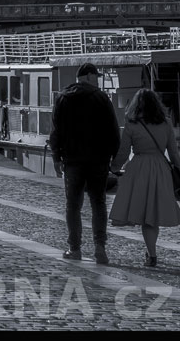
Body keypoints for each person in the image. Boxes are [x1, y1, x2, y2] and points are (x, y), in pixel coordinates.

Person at [49, 62, 120, 265]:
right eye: (96, 77)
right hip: (98, 160)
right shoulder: (101, 98)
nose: (97, 81)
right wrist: (112, 157)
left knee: (73, 205)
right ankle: (100, 247)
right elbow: (113, 131)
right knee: (98, 203)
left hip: (72, 161)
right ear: (89, 76)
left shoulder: (63, 98)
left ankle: (75, 248)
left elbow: (56, 131)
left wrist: (56, 157)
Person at [109, 88, 180, 267]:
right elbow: (173, 152)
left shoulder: (131, 124)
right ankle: (152, 253)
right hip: (160, 169)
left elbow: (124, 151)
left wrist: (114, 167)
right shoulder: (166, 123)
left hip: (139, 169)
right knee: (153, 214)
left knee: (143, 213)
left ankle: (151, 254)